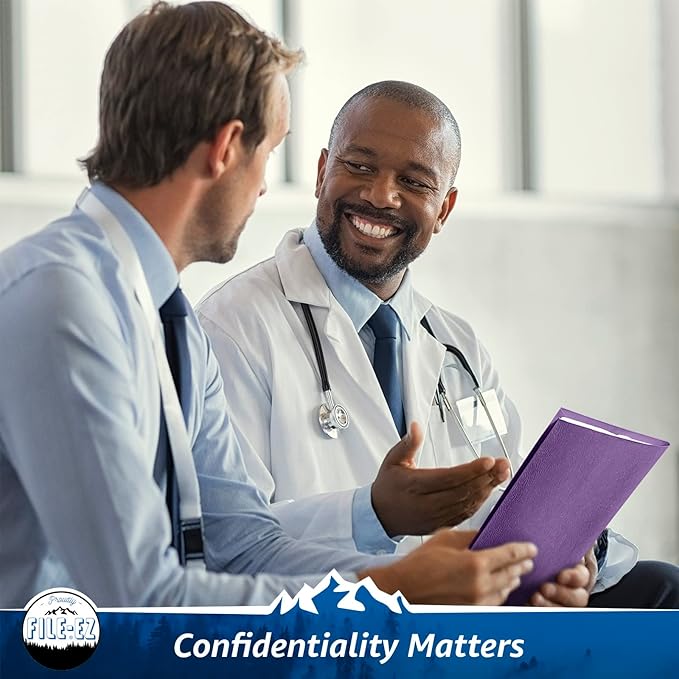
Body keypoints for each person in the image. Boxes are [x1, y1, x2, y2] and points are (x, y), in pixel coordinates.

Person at [0, 3, 545, 609]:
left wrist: (416, 576)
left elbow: (243, 546)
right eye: (269, 151)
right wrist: (392, 589)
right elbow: (136, 595)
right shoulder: (63, 304)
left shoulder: (170, 323)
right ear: (226, 148)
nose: (263, 186)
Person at [197, 81, 679, 608]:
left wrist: (568, 555)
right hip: (335, 626)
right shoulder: (233, 327)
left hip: (464, 618)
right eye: (359, 166)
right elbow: (227, 542)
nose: (381, 195)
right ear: (320, 173)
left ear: (444, 209)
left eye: (414, 181)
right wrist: (372, 514)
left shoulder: (457, 348)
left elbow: (502, 493)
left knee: (662, 587)